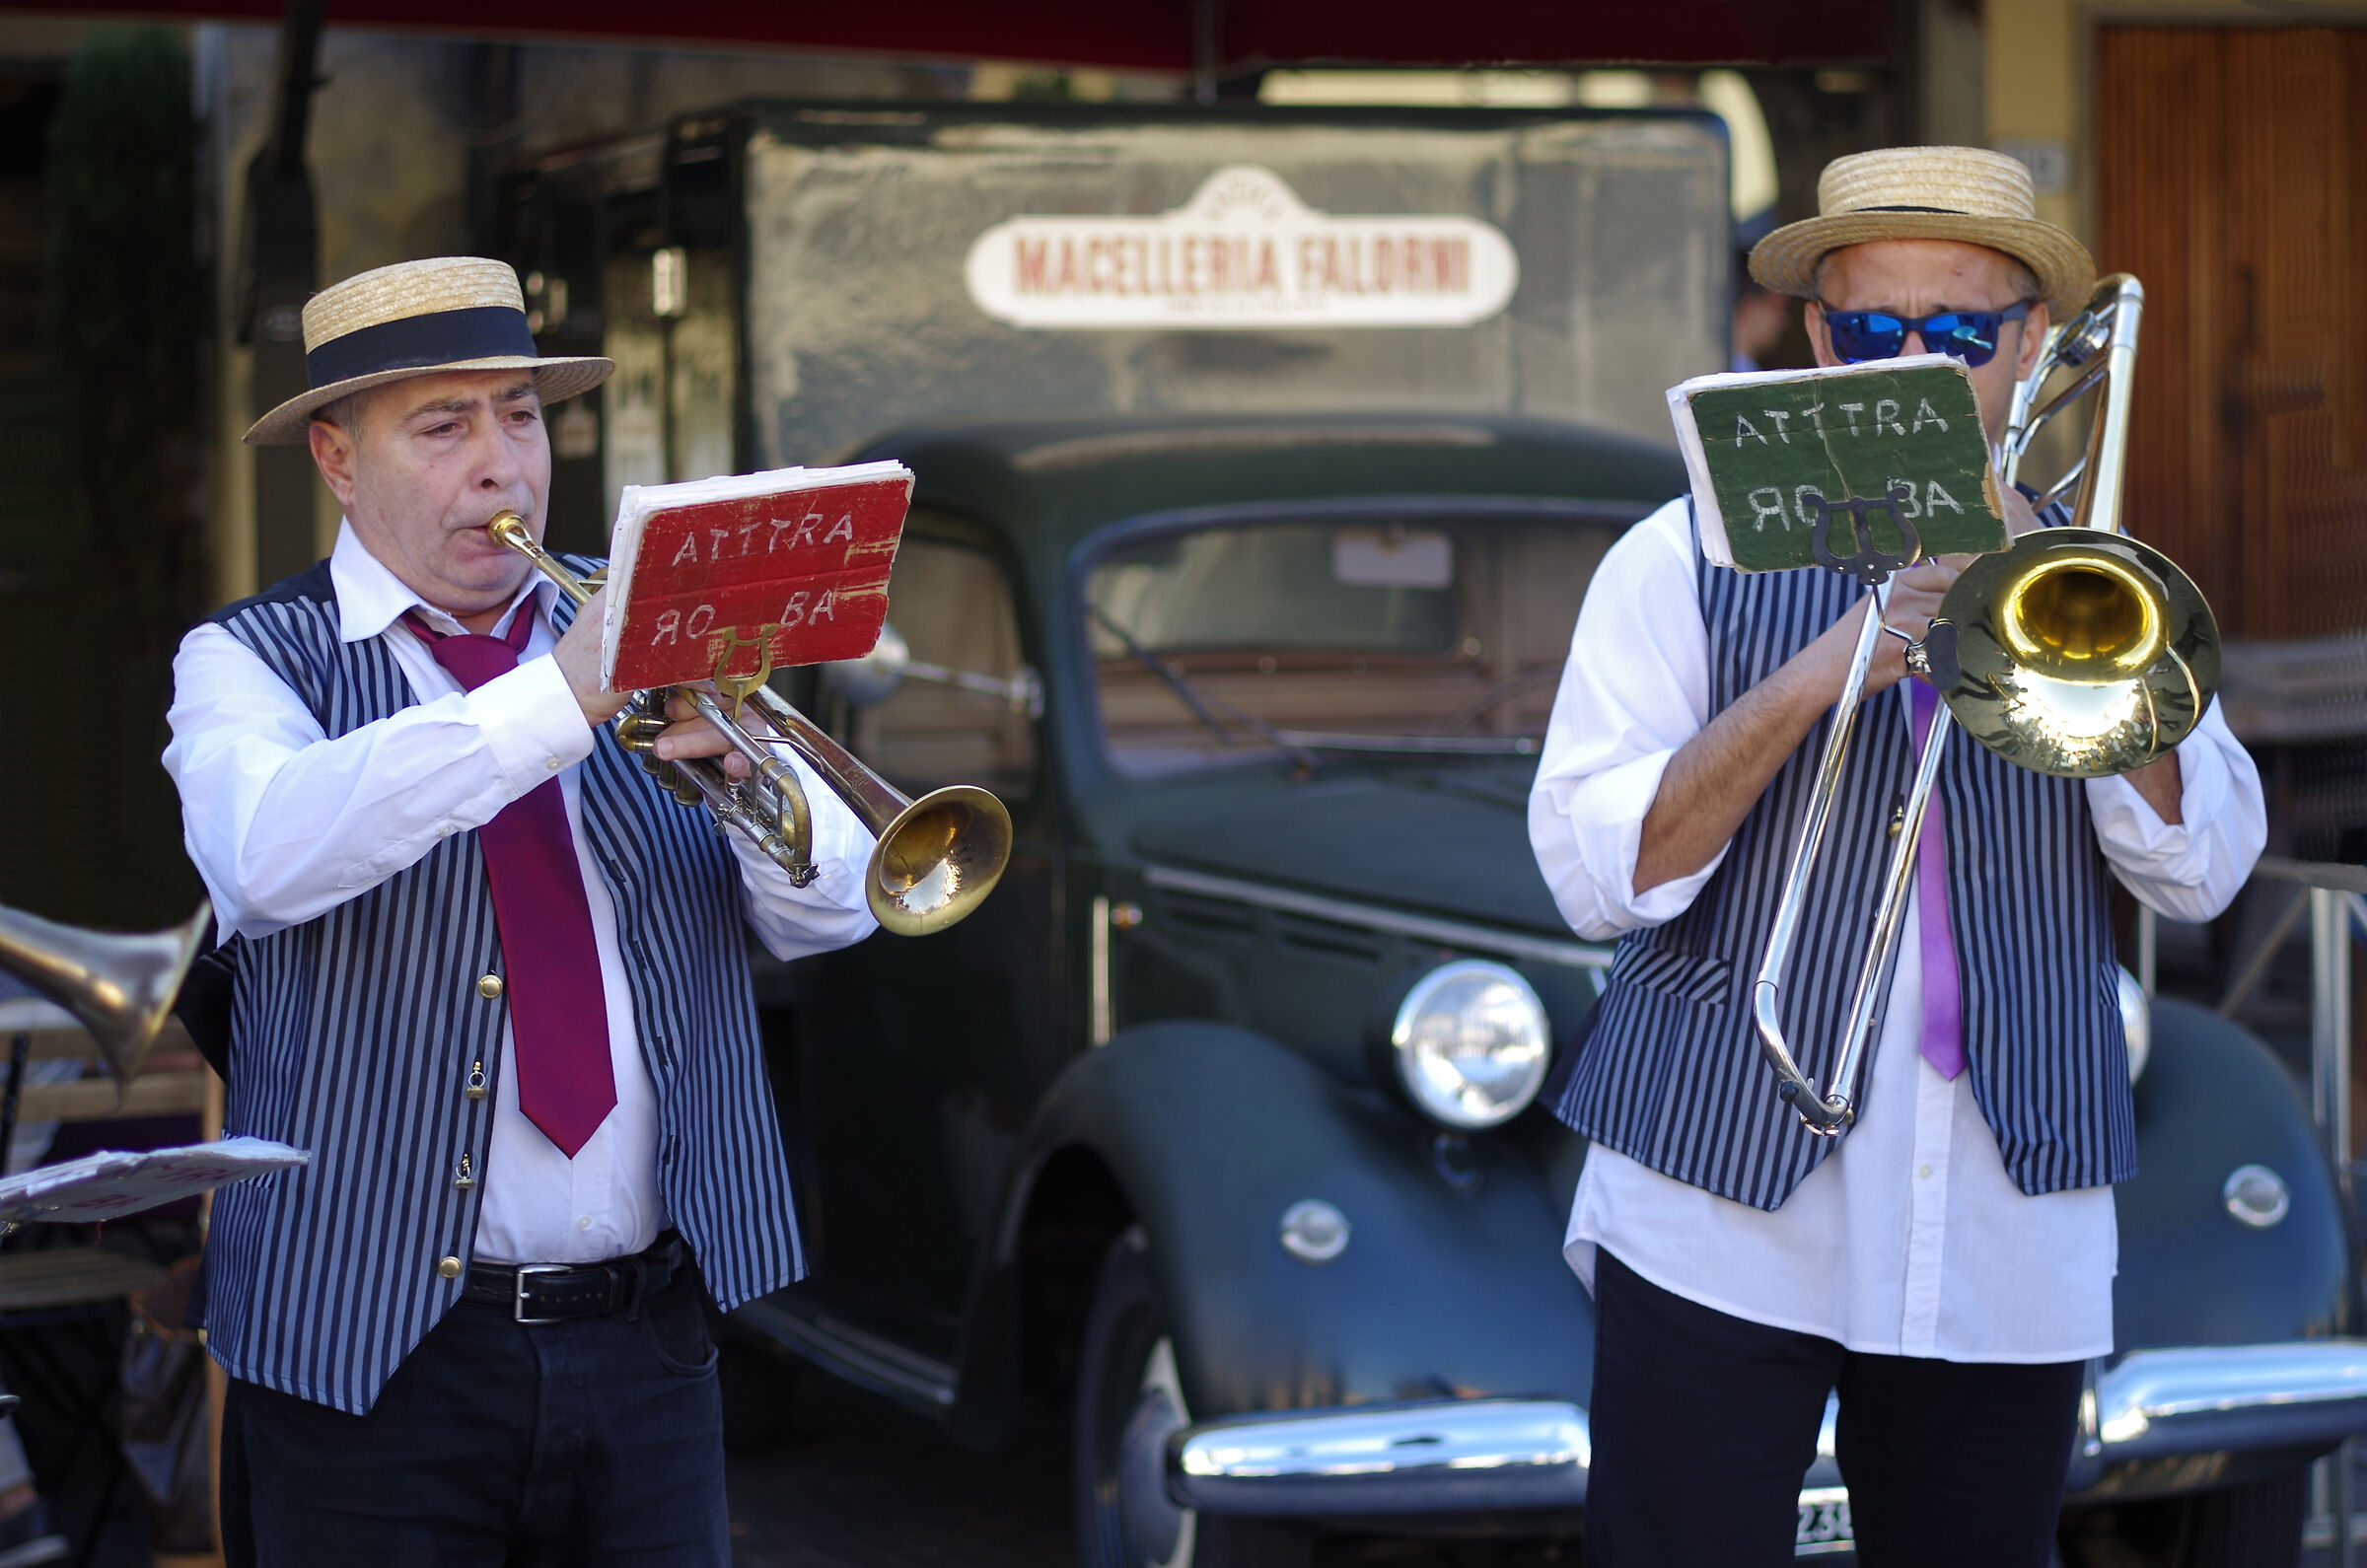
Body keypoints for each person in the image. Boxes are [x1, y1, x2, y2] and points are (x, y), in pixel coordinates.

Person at [1528, 147, 2265, 1567]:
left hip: (2003, 1195)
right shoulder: (1674, 557)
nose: (1919, 369)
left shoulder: (2098, 579)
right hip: (1714, 1186)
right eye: (1875, 333)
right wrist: (1826, 669)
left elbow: (2203, 866)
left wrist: (2095, 667)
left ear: (2030, 347)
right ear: (1818, 343)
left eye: (1962, 335)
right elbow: (1594, 876)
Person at [163, 256, 879, 1565]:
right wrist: (564, 692)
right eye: (444, 426)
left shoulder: (645, 616)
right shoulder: (246, 662)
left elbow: (833, 916)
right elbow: (265, 857)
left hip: (648, 1336)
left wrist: (744, 785)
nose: (503, 465)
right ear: (336, 457)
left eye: (521, 414)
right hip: (368, 1362)